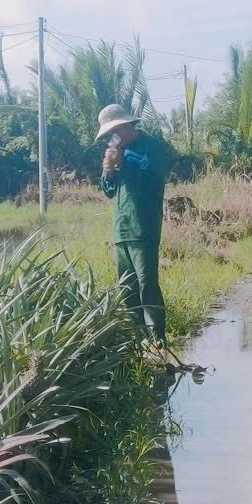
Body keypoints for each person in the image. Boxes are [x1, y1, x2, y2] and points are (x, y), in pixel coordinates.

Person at [97, 103, 170, 345]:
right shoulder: (117, 153)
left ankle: (157, 340)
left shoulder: (152, 148)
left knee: (147, 285)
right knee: (127, 287)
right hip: (121, 229)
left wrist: (122, 163)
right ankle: (137, 341)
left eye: (113, 132)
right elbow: (109, 190)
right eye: (108, 135)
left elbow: (153, 179)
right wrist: (108, 171)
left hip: (143, 227)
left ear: (126, 126)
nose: (112, 138)